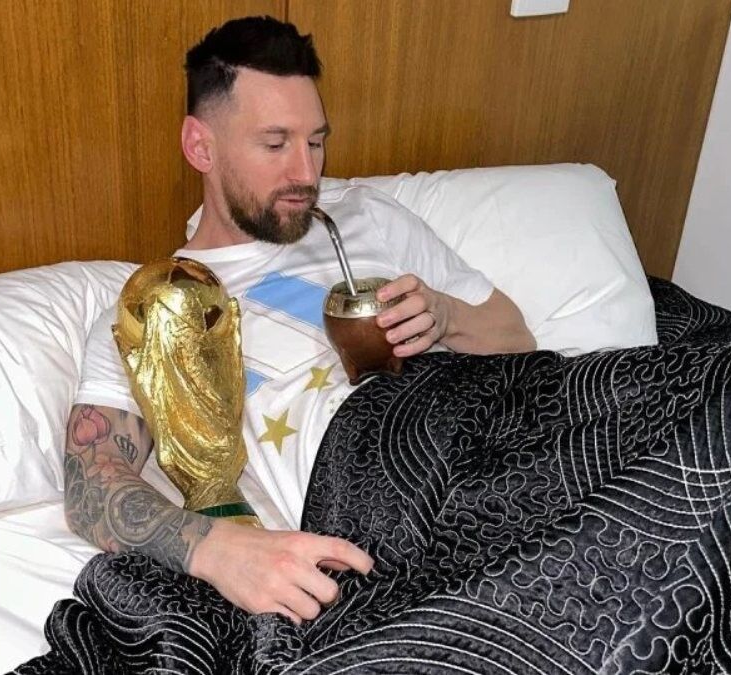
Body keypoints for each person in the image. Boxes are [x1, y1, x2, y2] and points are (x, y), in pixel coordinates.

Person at [63, 16, 534, 626]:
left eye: (315, 142)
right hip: (391, 493)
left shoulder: (365, 213)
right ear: (201, 147)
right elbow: (90, 485)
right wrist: (218, 550)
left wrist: (445, 317)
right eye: (275, 144)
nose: (306, 175)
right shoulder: (158, 310)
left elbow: (518, 339)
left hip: (499, 424)